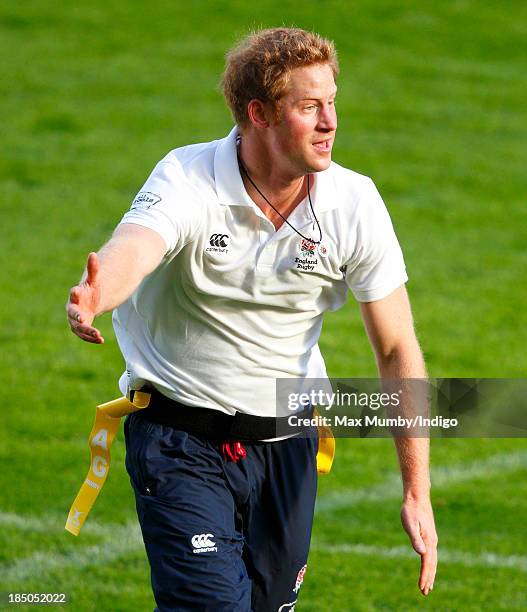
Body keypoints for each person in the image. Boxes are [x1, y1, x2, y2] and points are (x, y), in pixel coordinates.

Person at [67, 27, 438, 611]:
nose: (330, 122)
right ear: (259, 113)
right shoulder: (188, 178)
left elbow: (396, 349)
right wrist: (95, 292)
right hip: (181, 439)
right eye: (309, 106)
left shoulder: (353, 202)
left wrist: (417, 490)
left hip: (289, 444)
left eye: (332, 102)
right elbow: (135, 246)